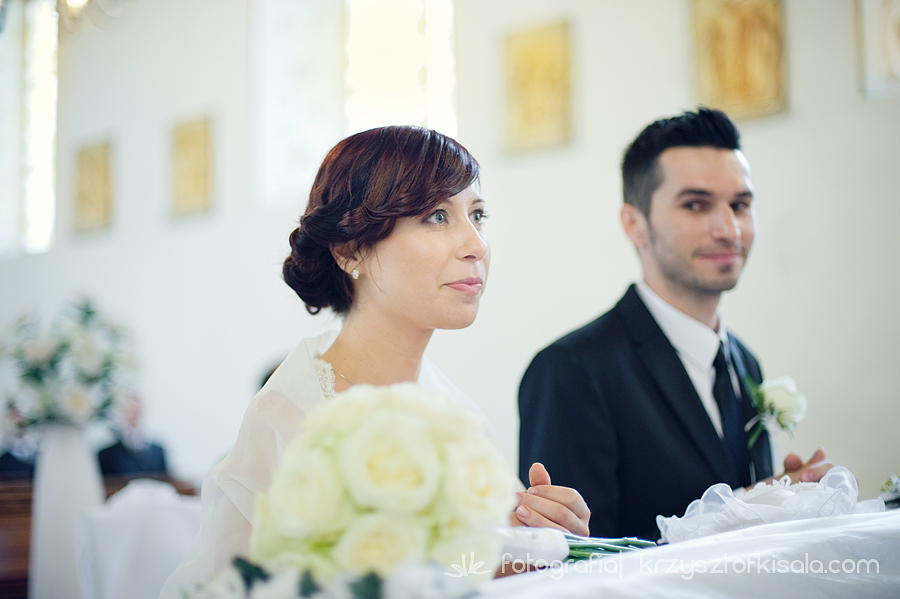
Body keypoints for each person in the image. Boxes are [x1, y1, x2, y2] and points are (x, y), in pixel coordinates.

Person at [161, 126, 589, 596]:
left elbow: (473, 572)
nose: (477, 245)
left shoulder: (457, 416)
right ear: (350, 249)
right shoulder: (291, 416)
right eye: (437, 216)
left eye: (477, 215)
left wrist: (542, 546)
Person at [518, 108, 832, 540]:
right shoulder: (571, 371)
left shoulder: (745, 363)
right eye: (696, 205)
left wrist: (777, 501)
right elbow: (578, 558)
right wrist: (743, 507)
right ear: (635, 225)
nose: (729, 229)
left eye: (740, 205)